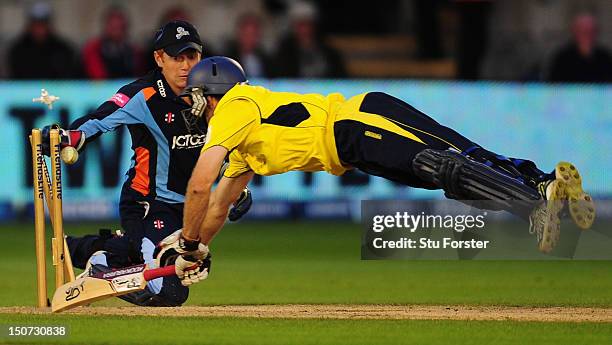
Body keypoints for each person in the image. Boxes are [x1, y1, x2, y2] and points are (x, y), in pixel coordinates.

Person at [159, 56, 596, 286]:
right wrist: (196, 250)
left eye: (196, 95)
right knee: (453, 162)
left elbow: (200, 185)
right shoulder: (242, 143)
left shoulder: (233, 107)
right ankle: (542, 183)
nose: (192, 105)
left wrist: (189, 241)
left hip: (358, 122)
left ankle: (534, 205)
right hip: (355, 145)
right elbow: (218, 201)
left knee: (444, 164)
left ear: (212, 91)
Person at [41, 24, 252, 307]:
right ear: (159, 59)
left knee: (168, 267)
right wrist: (68, 136)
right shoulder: (144, 95)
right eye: (177, 58)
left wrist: (237, 188)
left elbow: (223, 147)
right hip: (147, 203)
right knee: (168, 292)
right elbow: (100, 119)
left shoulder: (210, 94)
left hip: (189, 210)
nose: (186, 66)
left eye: (192, 57)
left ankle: (94, 250)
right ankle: (101, 266)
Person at [272, 1, 346, 78]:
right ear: (293, 27)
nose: (305, 30)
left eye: (308, 24)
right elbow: (281, 80)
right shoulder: (285, 52)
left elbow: (340, 78)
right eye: (301, 25)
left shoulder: (327, 50)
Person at [8, 2, 80, 79]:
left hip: (56, 90)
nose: (39, 28)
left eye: (43, 23)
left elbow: (69, 78)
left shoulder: (64, 49)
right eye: (36, 23)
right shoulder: (17, 50)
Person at [82, 6, 144, 79]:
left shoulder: (133, 50)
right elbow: (97, 76)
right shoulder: (93, 49)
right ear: (106, 27)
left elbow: (138, 74)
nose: (117, 32)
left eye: (120, 28)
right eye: (113, 28)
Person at [548, 13, 612, 83]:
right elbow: (552, 85)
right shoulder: (562, 57)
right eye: (583, 31)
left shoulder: (605, 57)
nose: (587, 34)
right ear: (574, 31)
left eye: (591, 31)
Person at [224, 12, 272, 78]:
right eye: (246, 34)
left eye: (254, 34)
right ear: (239, 34)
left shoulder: (266, 59)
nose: (250, 38)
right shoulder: (228, 60)